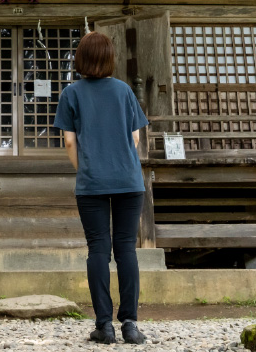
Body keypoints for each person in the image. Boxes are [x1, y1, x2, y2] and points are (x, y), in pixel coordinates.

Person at [52, 31, 149, 345]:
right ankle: (131, 325)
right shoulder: (123, 91)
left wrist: (87, 170)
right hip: (129, 180)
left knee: (97, 250)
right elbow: (135, 138)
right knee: (126, 250)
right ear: (110, 59)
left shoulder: (72, 93)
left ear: (80, 59)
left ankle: (104, 325)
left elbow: (69, 140)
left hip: (92, 182)